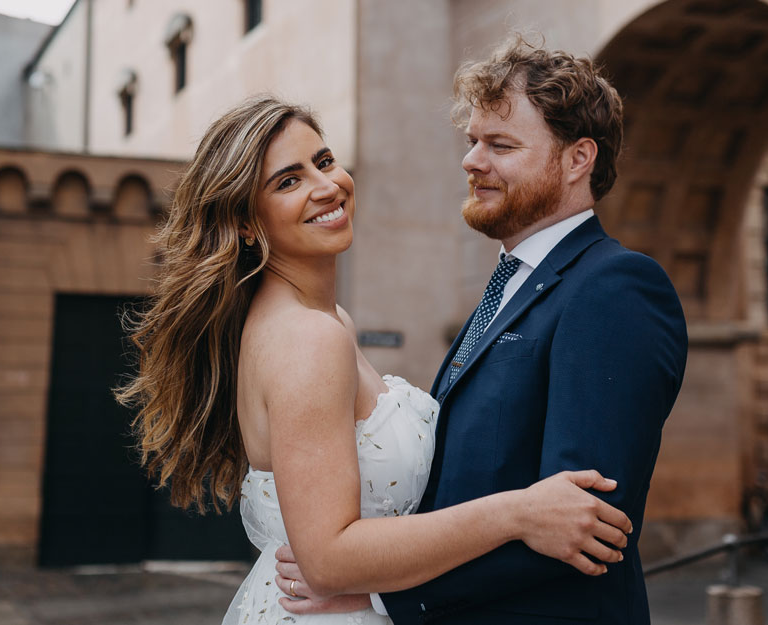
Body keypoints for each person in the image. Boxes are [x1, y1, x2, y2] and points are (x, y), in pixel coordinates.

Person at [116, 94, 636, 625]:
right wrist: (517, 512)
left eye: (323, 162)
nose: (326, 187)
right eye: (287, 181)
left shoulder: (328, 321)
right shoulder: (308, 338)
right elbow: (328, 560)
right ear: (247, 224)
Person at [276, 36, 688, 625]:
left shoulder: (615, 288)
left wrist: (379, 596)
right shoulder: (511, 284)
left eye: (500, 145)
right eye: (472, 142)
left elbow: (585, 521)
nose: (472, 161)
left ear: (578, 159)